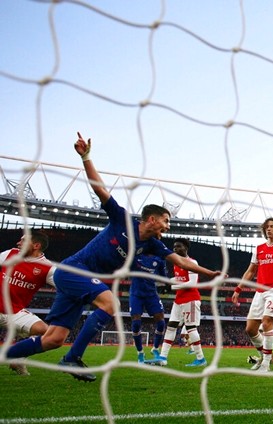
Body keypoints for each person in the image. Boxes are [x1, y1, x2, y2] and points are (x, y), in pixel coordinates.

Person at [5, 133, 222, 382]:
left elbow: (182, 261)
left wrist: (211, 274)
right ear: (151, 219)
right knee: (111, 304)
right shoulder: (121, 218)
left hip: (86, 281)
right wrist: (86, 157)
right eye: (166, 221)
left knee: (53, 339)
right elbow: (100, 189)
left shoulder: (152, 245)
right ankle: (72, 358)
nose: (167, 226)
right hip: (75, 270)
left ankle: (9, 355)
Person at [231, 217, 273, 372]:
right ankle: (262, 356)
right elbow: (250, 271)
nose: (269, 229)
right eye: (267, 227)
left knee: (267, 322)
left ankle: (266, 364)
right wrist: (238, 288)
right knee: (250, 329)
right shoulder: (259, 249)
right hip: (260, 290)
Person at [0, 231, 55, 376]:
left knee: (47, 333)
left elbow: (65, 287)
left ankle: (18, 356)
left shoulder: (48, 268)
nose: (18, 243)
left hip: (15, 311)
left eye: (23, 241)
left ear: (36, 245)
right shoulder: (10, 254)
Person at [149, 238, 207, 367]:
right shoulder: (177, 264)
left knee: (191, 328)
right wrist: (166, 281)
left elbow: (192, 283)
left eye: (178, 246)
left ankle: (200, 359)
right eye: (174, 247)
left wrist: (171, 287)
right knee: (170, 327)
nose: (175, 249)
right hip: (179, 300)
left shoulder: (192, 262)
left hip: (191, 299)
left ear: (185, 248)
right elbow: (179, 278)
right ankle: (163, 357)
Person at [129, 254, 167, 363]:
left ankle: (155, 349)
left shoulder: (159, 259)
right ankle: (140, 353)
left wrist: (166, 285)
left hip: (151, 294)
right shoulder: (136, 254)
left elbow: (163, 276)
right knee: (136, 324)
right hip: (136, 294)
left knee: (161, 323)